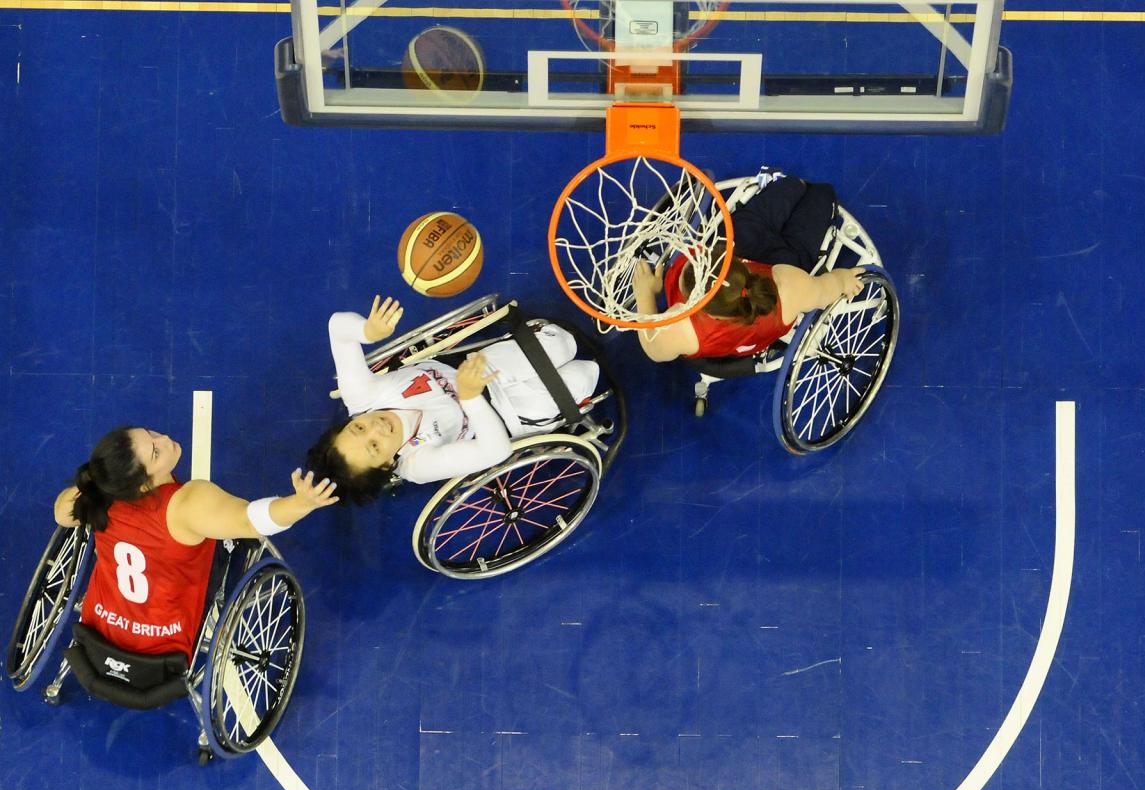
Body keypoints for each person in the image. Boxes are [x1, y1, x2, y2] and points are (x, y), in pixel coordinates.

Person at [53, 426, 338, 658]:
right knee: (229, 538)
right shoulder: (185, 504)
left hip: (98, 632)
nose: (164, 438)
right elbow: (250, 522)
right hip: (165, 647)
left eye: (150, 434)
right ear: (142, 485)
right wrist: (301, 503)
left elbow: (60, 514)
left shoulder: (99, 495)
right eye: (155, 451)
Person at [305, 295, 599, 503]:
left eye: (358, 428)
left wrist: (367, 331)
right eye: (374, 446)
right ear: (385, 465)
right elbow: (496, 451)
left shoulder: (361, 396)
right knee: (584, 375)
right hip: (506, 417)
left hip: (478, 369)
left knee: (563, 343)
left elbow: (337, 327)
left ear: (350, 421)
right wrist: (470, 398)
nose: (375, 429)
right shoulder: (417, 466)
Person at [630, 249, 865, 364]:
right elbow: (825, 290)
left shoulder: (681, 329)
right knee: (817, 197)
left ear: (700, 307)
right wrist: (843, 279)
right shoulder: (789, 284)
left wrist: (645, 294)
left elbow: (654, 349)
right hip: (761, 334)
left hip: (725, 350)